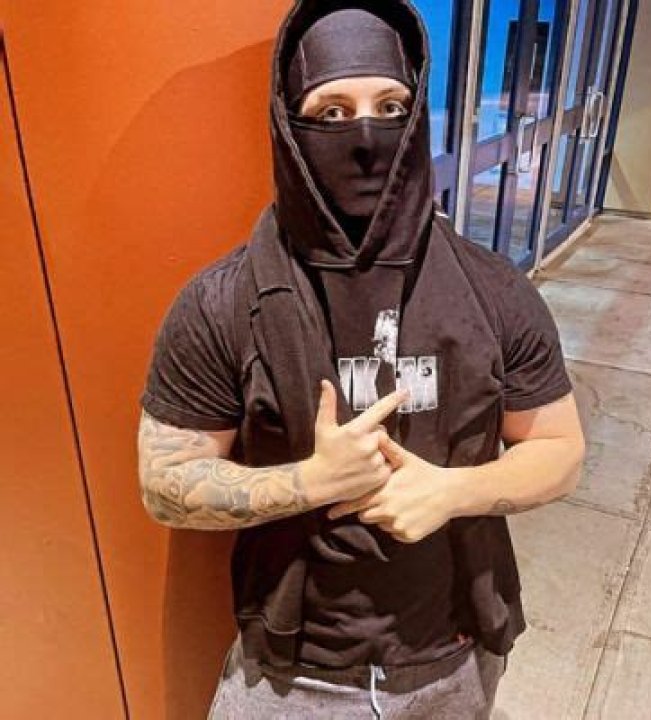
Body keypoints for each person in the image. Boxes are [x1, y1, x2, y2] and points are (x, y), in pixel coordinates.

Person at [137, 1, 586, 718]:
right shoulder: (223, 301)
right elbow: (164, 483)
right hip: (292, 677)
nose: (366, 136)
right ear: (290, 125)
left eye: (391, 107)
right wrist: (311, 481)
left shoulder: (493, 289)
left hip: (455, 656)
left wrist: (452, 491)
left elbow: (561, 450)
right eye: (333, 112)